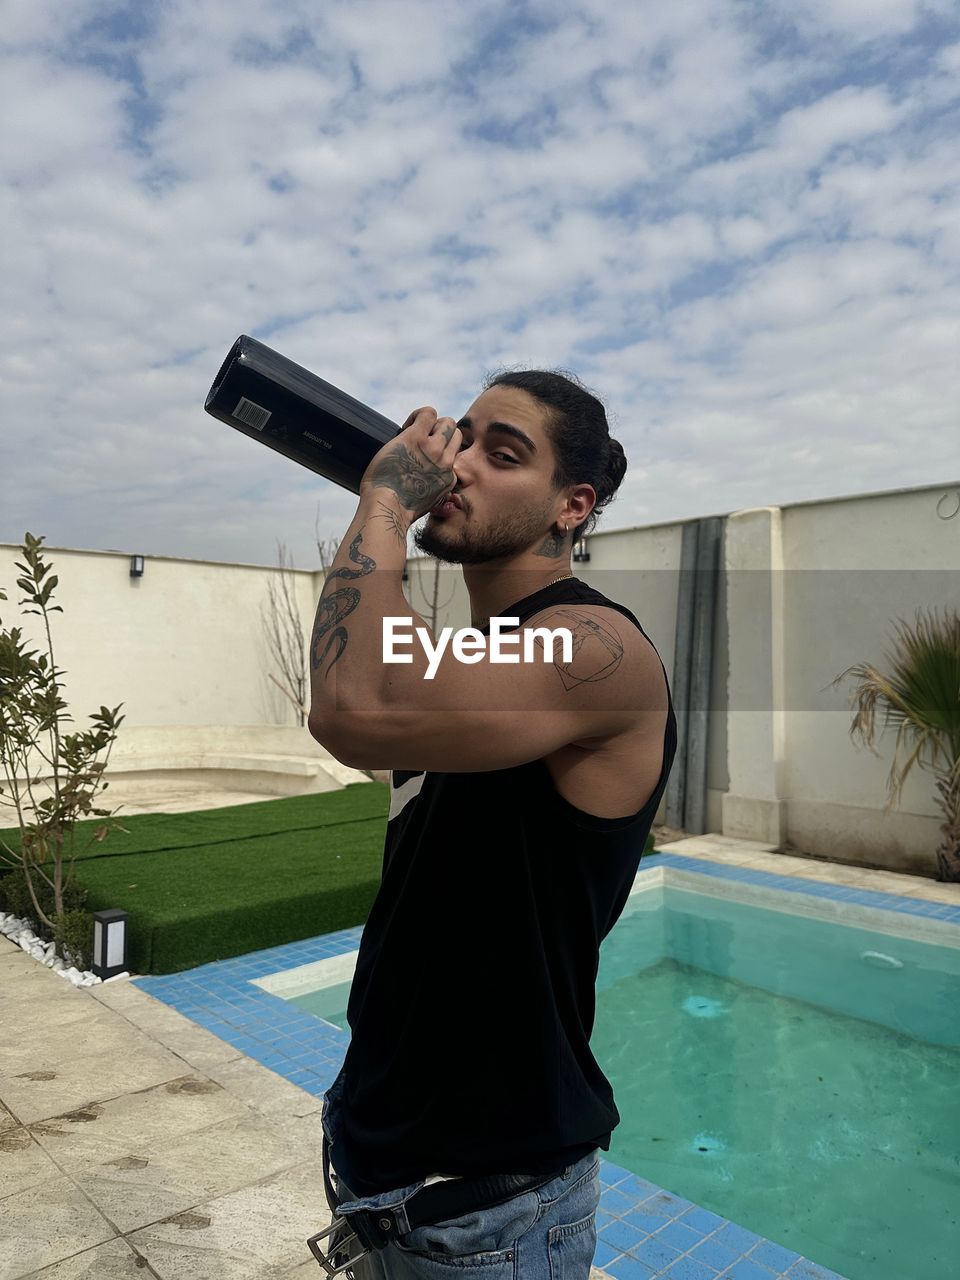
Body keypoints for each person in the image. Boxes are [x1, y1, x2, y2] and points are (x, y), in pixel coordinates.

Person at [306, 369, 678, 1280]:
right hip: (384, 1165)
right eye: (459, 439)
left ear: (571, 506)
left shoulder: (598, 648)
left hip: (491, 1209)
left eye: (501, 453)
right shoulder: (466, 659)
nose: (459, 464)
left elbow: (355, 703)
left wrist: (388, 500)